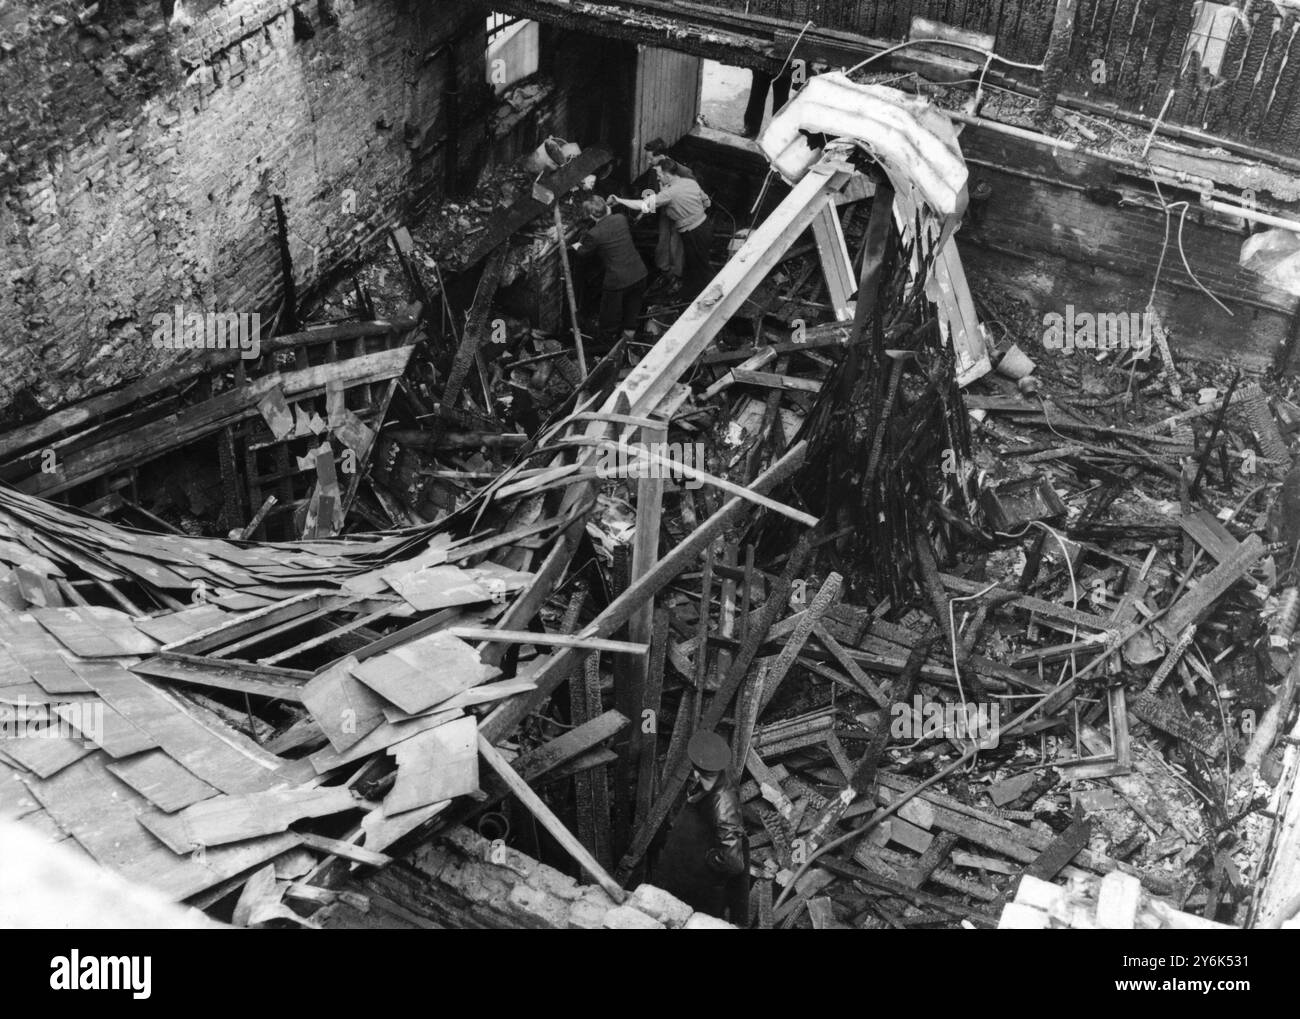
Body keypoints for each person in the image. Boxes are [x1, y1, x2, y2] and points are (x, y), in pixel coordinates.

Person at [652, 731, 750, 925]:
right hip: (685, 879)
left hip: (702, 890)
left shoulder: (723, 802)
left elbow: (733, 861)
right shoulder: (708, 784)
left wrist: (708, 860)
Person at [613, 158, 714, 298]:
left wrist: (619, 200)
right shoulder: (690, 182)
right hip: (705, 225)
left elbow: (643, 205)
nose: (658, 178)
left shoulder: (669, 193)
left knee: (700, 267)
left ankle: (708, 296)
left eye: (660, 175)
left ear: (667, 175)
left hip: (693, 232)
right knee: (698, 263)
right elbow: (707, 202)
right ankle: (697, 292)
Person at [571, 195, 647, 347]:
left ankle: (607, 346)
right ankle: (629, 342)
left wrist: (577, 246)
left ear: (591, 216)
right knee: (632, 313)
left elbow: (584, 253)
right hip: (639, 273)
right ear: (607, 208)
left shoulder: (594, 233)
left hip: (617, 281)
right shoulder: (621, 218)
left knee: (609, 318)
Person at [743, 64, 794, 138]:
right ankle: (751, 129)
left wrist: (800, 78)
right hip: (764, 64)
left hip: (786, 65)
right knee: (757, 94)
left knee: (781, 101)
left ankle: (778, 132)